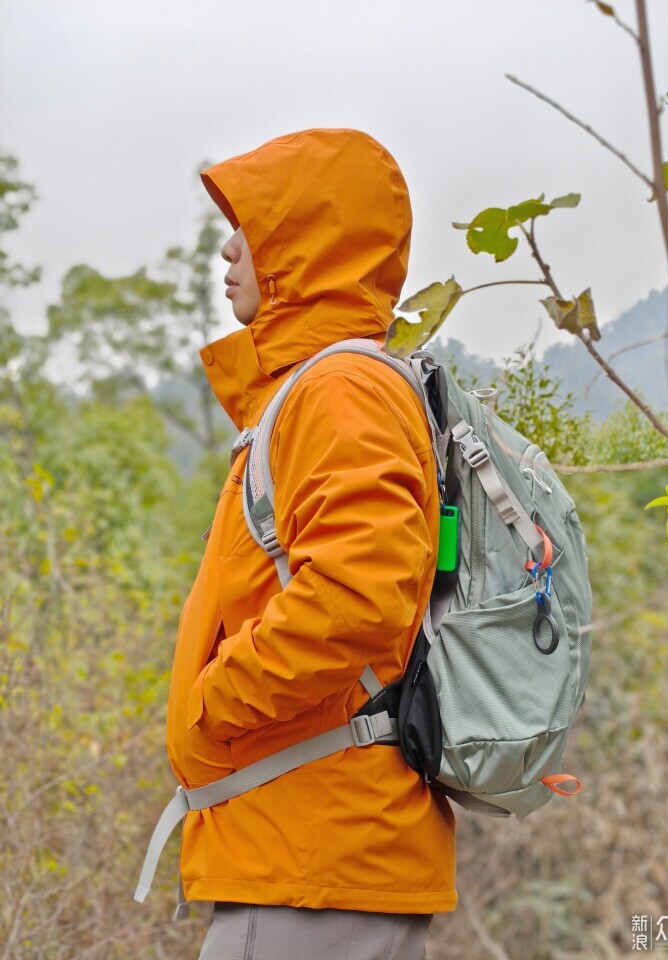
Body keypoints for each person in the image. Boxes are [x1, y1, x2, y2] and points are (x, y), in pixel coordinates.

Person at [167, 127, 457, 960]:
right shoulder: (321, 388)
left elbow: (357, 594)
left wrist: (213, 705)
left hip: (311, 851)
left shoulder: (338, 390)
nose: (227, 248)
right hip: (314, 842)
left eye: (250, 228)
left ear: (303, 246)